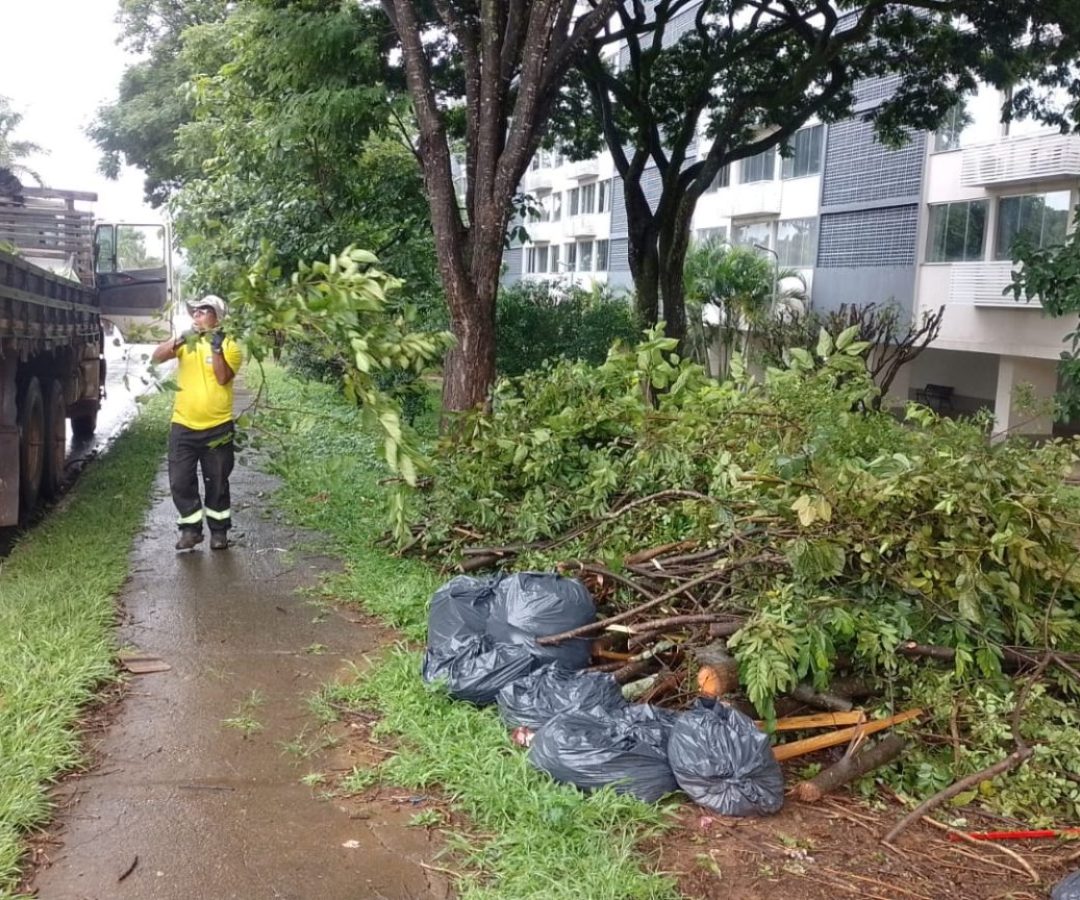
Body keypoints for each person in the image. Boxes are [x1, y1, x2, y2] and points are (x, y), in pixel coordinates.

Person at [151, 295, 242, 550]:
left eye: (204, 310)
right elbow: (156, 358)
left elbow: (223, 378)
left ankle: (219, 532)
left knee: (217, 481)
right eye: (196, 311)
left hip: (218, 427)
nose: (197, 315)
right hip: (184, 425)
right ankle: (191, 530)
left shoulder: (231, 345)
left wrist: (216, 348)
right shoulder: (185, 342)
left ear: (218, 317)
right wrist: (180, 338)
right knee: (180, 480)